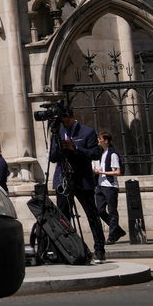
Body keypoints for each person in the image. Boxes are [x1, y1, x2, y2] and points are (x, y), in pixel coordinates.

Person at [49, 107, 108, 263]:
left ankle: (100, 249)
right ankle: (67, 249)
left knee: (92, 214)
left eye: (65, 120)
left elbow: (95, 154)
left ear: (72, 117)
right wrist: (60, 148)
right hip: (63, 179)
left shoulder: (87, 132)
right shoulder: (58, 133)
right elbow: (52, 158)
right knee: (63, 217)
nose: (63, 123)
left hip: (82, 180)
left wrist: (75, 148)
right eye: (61, 121)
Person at [94, 131, 124, 244]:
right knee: (100, 211)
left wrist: (102, 172)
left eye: (100, 138)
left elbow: (118, 171)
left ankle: (112, 236)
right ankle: (118, 230)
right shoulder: (103, 153)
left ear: (106, 141)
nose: (98, 140)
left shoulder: (113, 154)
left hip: (110, 186)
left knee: (112, 211)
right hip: (101, 185)